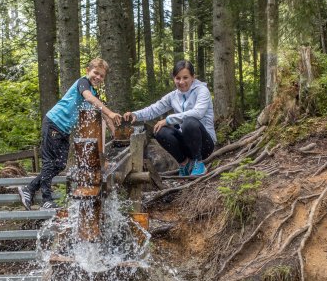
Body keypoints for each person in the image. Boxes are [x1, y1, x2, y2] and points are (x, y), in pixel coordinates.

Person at [18, 58, 122, 210]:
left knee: (60, 164)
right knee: (49, 163)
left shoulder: (93, 91)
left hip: (64, 130)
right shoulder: (83, 83)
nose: (98, 77)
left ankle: (29, 188)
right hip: (54, 123)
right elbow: (89, 98)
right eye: (96, 73)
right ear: (88, 70)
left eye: (102, 76)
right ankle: (46, 199)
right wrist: (110, 112)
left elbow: (102, 114)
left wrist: (114, 130)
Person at [124, 60, 216, 177]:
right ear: (174, 78)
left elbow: (198, 112)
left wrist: (168, 120)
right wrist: (135, 114)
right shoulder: (173, 96)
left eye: (185, 77)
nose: (181, 82)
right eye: (178, 78)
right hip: (187, 144)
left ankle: (199, 164)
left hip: (205, 145)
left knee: (189, 122)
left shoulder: (202, 91)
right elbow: (154, 109)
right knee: (159, 130)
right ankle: (184, 164)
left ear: (193, 77)